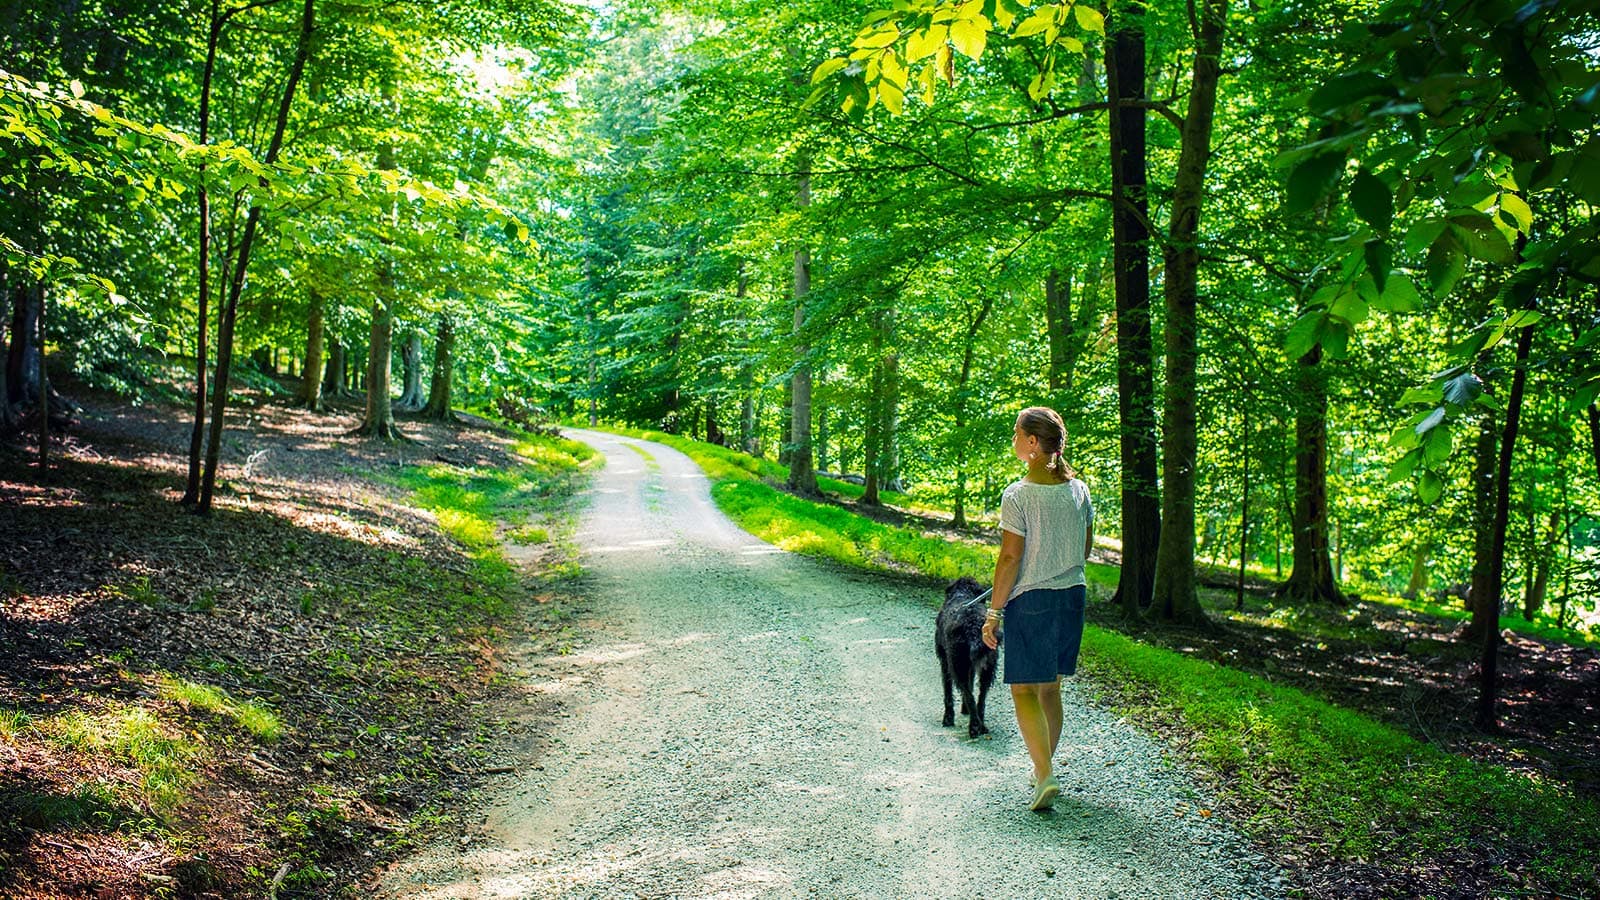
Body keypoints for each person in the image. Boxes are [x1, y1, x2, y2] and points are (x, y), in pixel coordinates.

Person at [981, 406, 1093, 811]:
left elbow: (1010, 558)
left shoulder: (1018, 495)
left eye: (1016, 434)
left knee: (1024, 689)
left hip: (1033, 600)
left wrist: (993, 613)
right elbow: (1085, 545)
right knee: (1051, 687)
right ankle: (1042, 768)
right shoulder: (1079, 491)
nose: (1012, 441)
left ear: (1032, 443)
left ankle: (1044, 774)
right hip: (1072, 596)